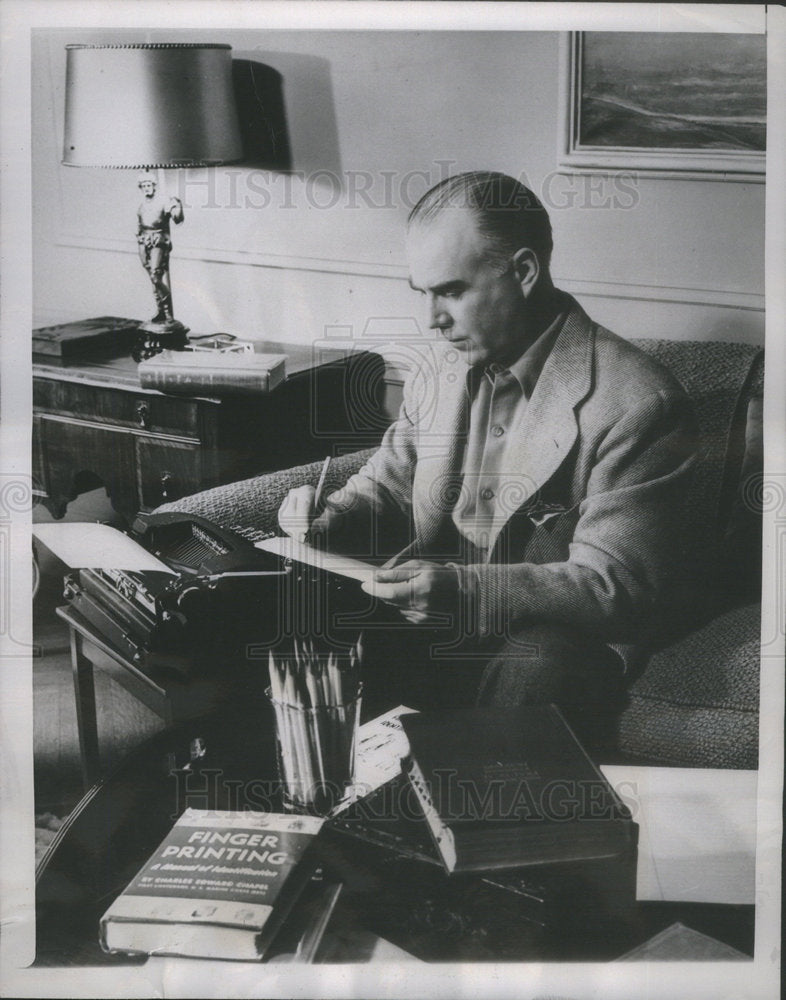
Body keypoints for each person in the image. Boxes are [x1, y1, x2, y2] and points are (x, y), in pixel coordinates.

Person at [278, 171, 698, 738]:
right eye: (421, 293)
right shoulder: (441, 369)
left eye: (451, 291)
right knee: (283, 614)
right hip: (430, 624)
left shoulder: (639, 402)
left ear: (524, 272)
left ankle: (477, 818)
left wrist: (464, 592)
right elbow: (390, 485)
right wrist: (327, 518)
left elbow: (613, 587)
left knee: (542, 661)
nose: (432, 319)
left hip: (544, 636)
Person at [136, 174, 184, 326]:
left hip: (159, 240)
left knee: (156, 277)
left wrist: (178, 206)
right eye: (144, 186)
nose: (147, 188)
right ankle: (161, 312)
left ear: (154, 186)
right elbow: (139, 224)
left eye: (149, 185)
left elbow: (177, 219)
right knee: (152, 278)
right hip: (144, 240)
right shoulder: (142, 206)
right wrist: (140, 239)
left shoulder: (163, 202)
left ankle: (168, 312)